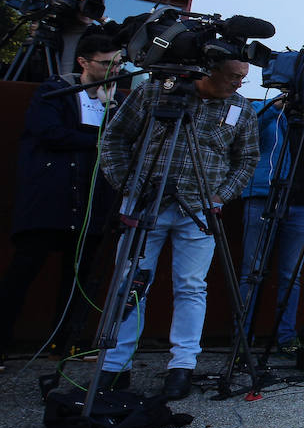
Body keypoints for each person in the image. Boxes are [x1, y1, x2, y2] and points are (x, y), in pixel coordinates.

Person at [98, 59, 259, 399]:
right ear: (209, 69)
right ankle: (114, 366)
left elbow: (247, 160)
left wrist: (222, 195)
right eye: (233, 76)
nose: (238, 84)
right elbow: (114, 138)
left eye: (243, 78)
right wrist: (126, 184)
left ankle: (182, 366)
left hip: (200, 209)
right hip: (145, 203)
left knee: (191, 286)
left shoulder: (241, 109)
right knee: (130, 282)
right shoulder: (156, 91)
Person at [0, 33, 123, 370]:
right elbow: (49, 132)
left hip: (93, 199)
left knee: (81, 278)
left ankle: (67, 343)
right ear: (83, 62)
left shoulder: (117, 100)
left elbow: (123, 143)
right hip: (51, 196)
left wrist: (111, 108)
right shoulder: (55, 90)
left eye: (118, 64)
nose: (113, 69)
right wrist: (98, 140)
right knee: (23, 270)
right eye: (105, 63)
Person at [236, 96, 304, 356]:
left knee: (291, 276)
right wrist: (279, 105)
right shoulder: (266, 110)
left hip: (303, 206)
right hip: (262, 199)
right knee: (251, 272)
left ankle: (286, 337)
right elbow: (246, 132)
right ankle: (242, 338)